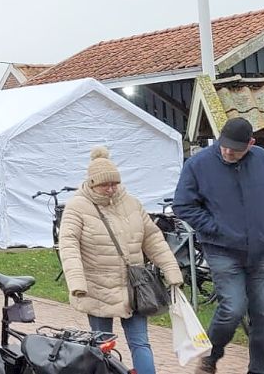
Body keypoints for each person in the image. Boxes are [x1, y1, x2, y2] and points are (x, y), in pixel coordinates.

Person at [173, 118, 264, 374]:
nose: (228, 151)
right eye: (225, 146)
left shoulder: (263, 160)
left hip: (260, 251)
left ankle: (260, 369)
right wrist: (216, 228)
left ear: (251, 143)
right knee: (233, 308)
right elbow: (183, 204)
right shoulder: (198, 165)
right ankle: (211, 357)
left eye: (236, 148)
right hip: (222, 250)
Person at [60, 146, 182, 374]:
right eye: (105, 184)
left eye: (114, 183)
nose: (111, 189)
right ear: (92, 183)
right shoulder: (77, 207)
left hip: (134, 287)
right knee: (101, 346)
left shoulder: (131, 203)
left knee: (140, 342)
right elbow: (69, 246)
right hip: (97, 288)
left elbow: (153, 239)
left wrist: (171, 270)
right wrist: (77, 283)